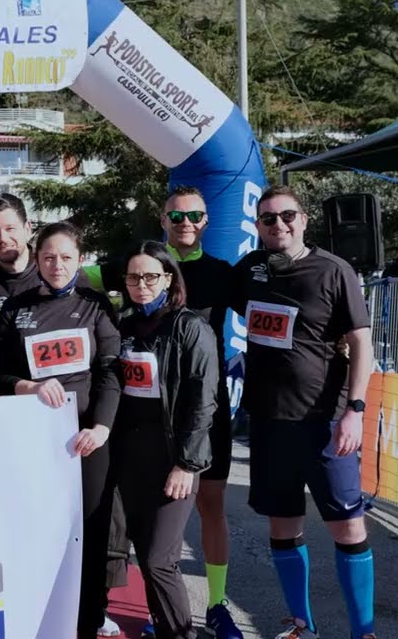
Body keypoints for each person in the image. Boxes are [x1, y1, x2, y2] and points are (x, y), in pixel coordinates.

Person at [229, 186, 375, 639]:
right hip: (269, 421)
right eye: (268, 218)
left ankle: (363, 632)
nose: (279, 225)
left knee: (347, 526)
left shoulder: (334, 270)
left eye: (287, 215)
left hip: (324, 421)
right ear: (258, 226)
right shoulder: (250, 269)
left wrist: (354, 410)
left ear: (304, 219)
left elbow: (362, 343)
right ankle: (301, 626)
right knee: (283, 523)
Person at [0, 222, 121, 639]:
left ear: (80, 260)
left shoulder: (96, 305)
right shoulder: (16, 308)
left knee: (92, 531)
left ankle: (90, 618)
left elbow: (110, 371)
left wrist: (101, 427)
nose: (57, 265)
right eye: (49, 257)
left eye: (66, 257)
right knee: (41, 530)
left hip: (88, 440)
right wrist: (28, 386)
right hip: (37, 443)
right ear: (37, 260)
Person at [113, 241, 219, 639]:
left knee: (159, 559)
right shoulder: (124, 326)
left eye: (150, 277)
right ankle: (163, 628)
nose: (141, 285)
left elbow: (203, 401)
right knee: (146, 554)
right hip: (131, 458)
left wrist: (186, 464)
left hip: (173, 458)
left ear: (168, 279)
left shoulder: (190, 327)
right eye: (133, 278)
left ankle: (180, 633)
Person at [158, 187, 243, 638]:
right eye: (177, 216)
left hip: (208, 407)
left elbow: (275, 305)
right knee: (158, 511)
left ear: (206, 221)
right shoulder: (146, 265)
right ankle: (162, 605)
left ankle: (216, 603)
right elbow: (74, 271)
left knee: (211, 506)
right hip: (155, 406)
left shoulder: (222, 273)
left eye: (194, 215)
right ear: (163, 220)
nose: (186, 223)